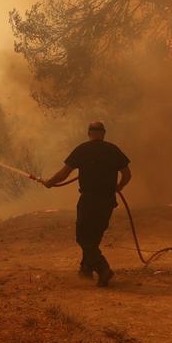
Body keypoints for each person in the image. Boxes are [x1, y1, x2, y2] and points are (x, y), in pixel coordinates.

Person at [40, 121, 131, 287]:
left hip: (89, 200)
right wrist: (119, 187)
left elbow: (64, 174)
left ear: (89, 133)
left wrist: (49, 182)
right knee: (94, 236)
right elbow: (127, 174)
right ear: (103, 133)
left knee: (83, 237)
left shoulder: (82, 150)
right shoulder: (113, 150)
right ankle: (86, 270)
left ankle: (103, 268)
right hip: (107, 201)